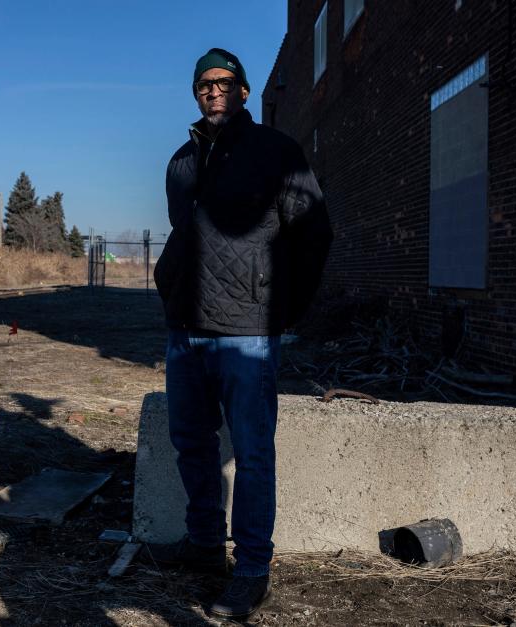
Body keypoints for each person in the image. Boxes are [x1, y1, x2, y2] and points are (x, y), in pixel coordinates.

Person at [151, 47, 332, 619]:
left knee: (253, 453)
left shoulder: (276, 153)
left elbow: (314, 233)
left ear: (246, 91)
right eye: (204, 84)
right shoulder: (181, 162)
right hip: (186, 328)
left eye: (224, 82)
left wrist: (281, 311)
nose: (213, 91)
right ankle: (205, 544)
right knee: (192, 442)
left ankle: (252, 569)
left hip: (246, 332)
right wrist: (167, 282)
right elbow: (185, 235)